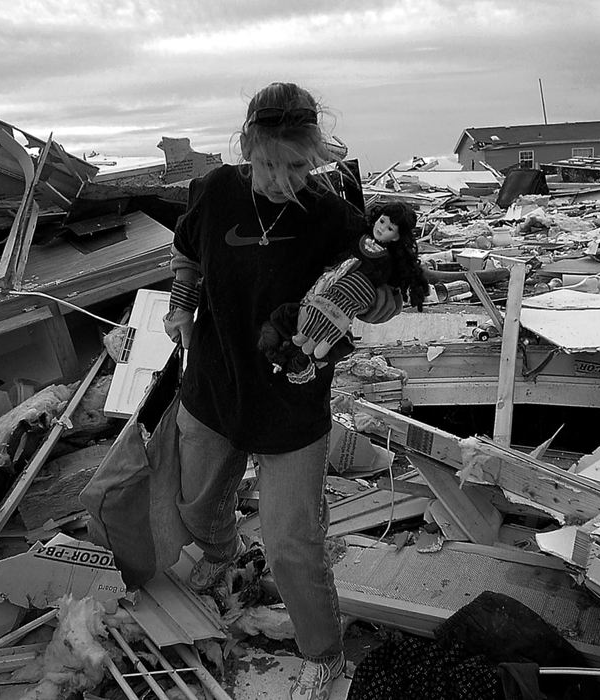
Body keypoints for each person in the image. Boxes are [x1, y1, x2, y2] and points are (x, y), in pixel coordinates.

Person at [162, 82, 401, 699]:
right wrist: (180, 309)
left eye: (296, 166)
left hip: (291, 400)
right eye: (268, 164)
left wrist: (369, 301)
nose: (280, 180)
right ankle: (219, 559)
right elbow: (185, 252)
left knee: (293, 544)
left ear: (316, 155)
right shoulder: (217, 192)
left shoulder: (334, 215)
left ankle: (324, 656)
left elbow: (386, 292)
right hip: (213, 387)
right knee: (195, 506)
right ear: (247, 147)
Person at [258, 200, 429, 383]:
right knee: (292, 326)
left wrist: (363, 300)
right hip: (314, 292)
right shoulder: (355, 235)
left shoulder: (374, 249)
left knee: (315, 337)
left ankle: (297, 361)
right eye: (382, 222)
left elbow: (382, 294)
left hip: (330, 300)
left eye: (389, 228)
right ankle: (284, 356)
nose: (382, 228)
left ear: (396, 237)